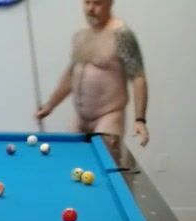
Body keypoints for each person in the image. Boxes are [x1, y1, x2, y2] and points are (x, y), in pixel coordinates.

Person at [35, 0, 149, 161]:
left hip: (108, 117)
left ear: (110, 3)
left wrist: (140, 119)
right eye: (87, 2)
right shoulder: (81, 35)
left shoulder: (121, 34)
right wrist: (50, 105)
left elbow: (138, 76)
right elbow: (71, 74)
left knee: (104, 167)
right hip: (80, 119)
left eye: (97, 3)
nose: (90, 9)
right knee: (71, 164)